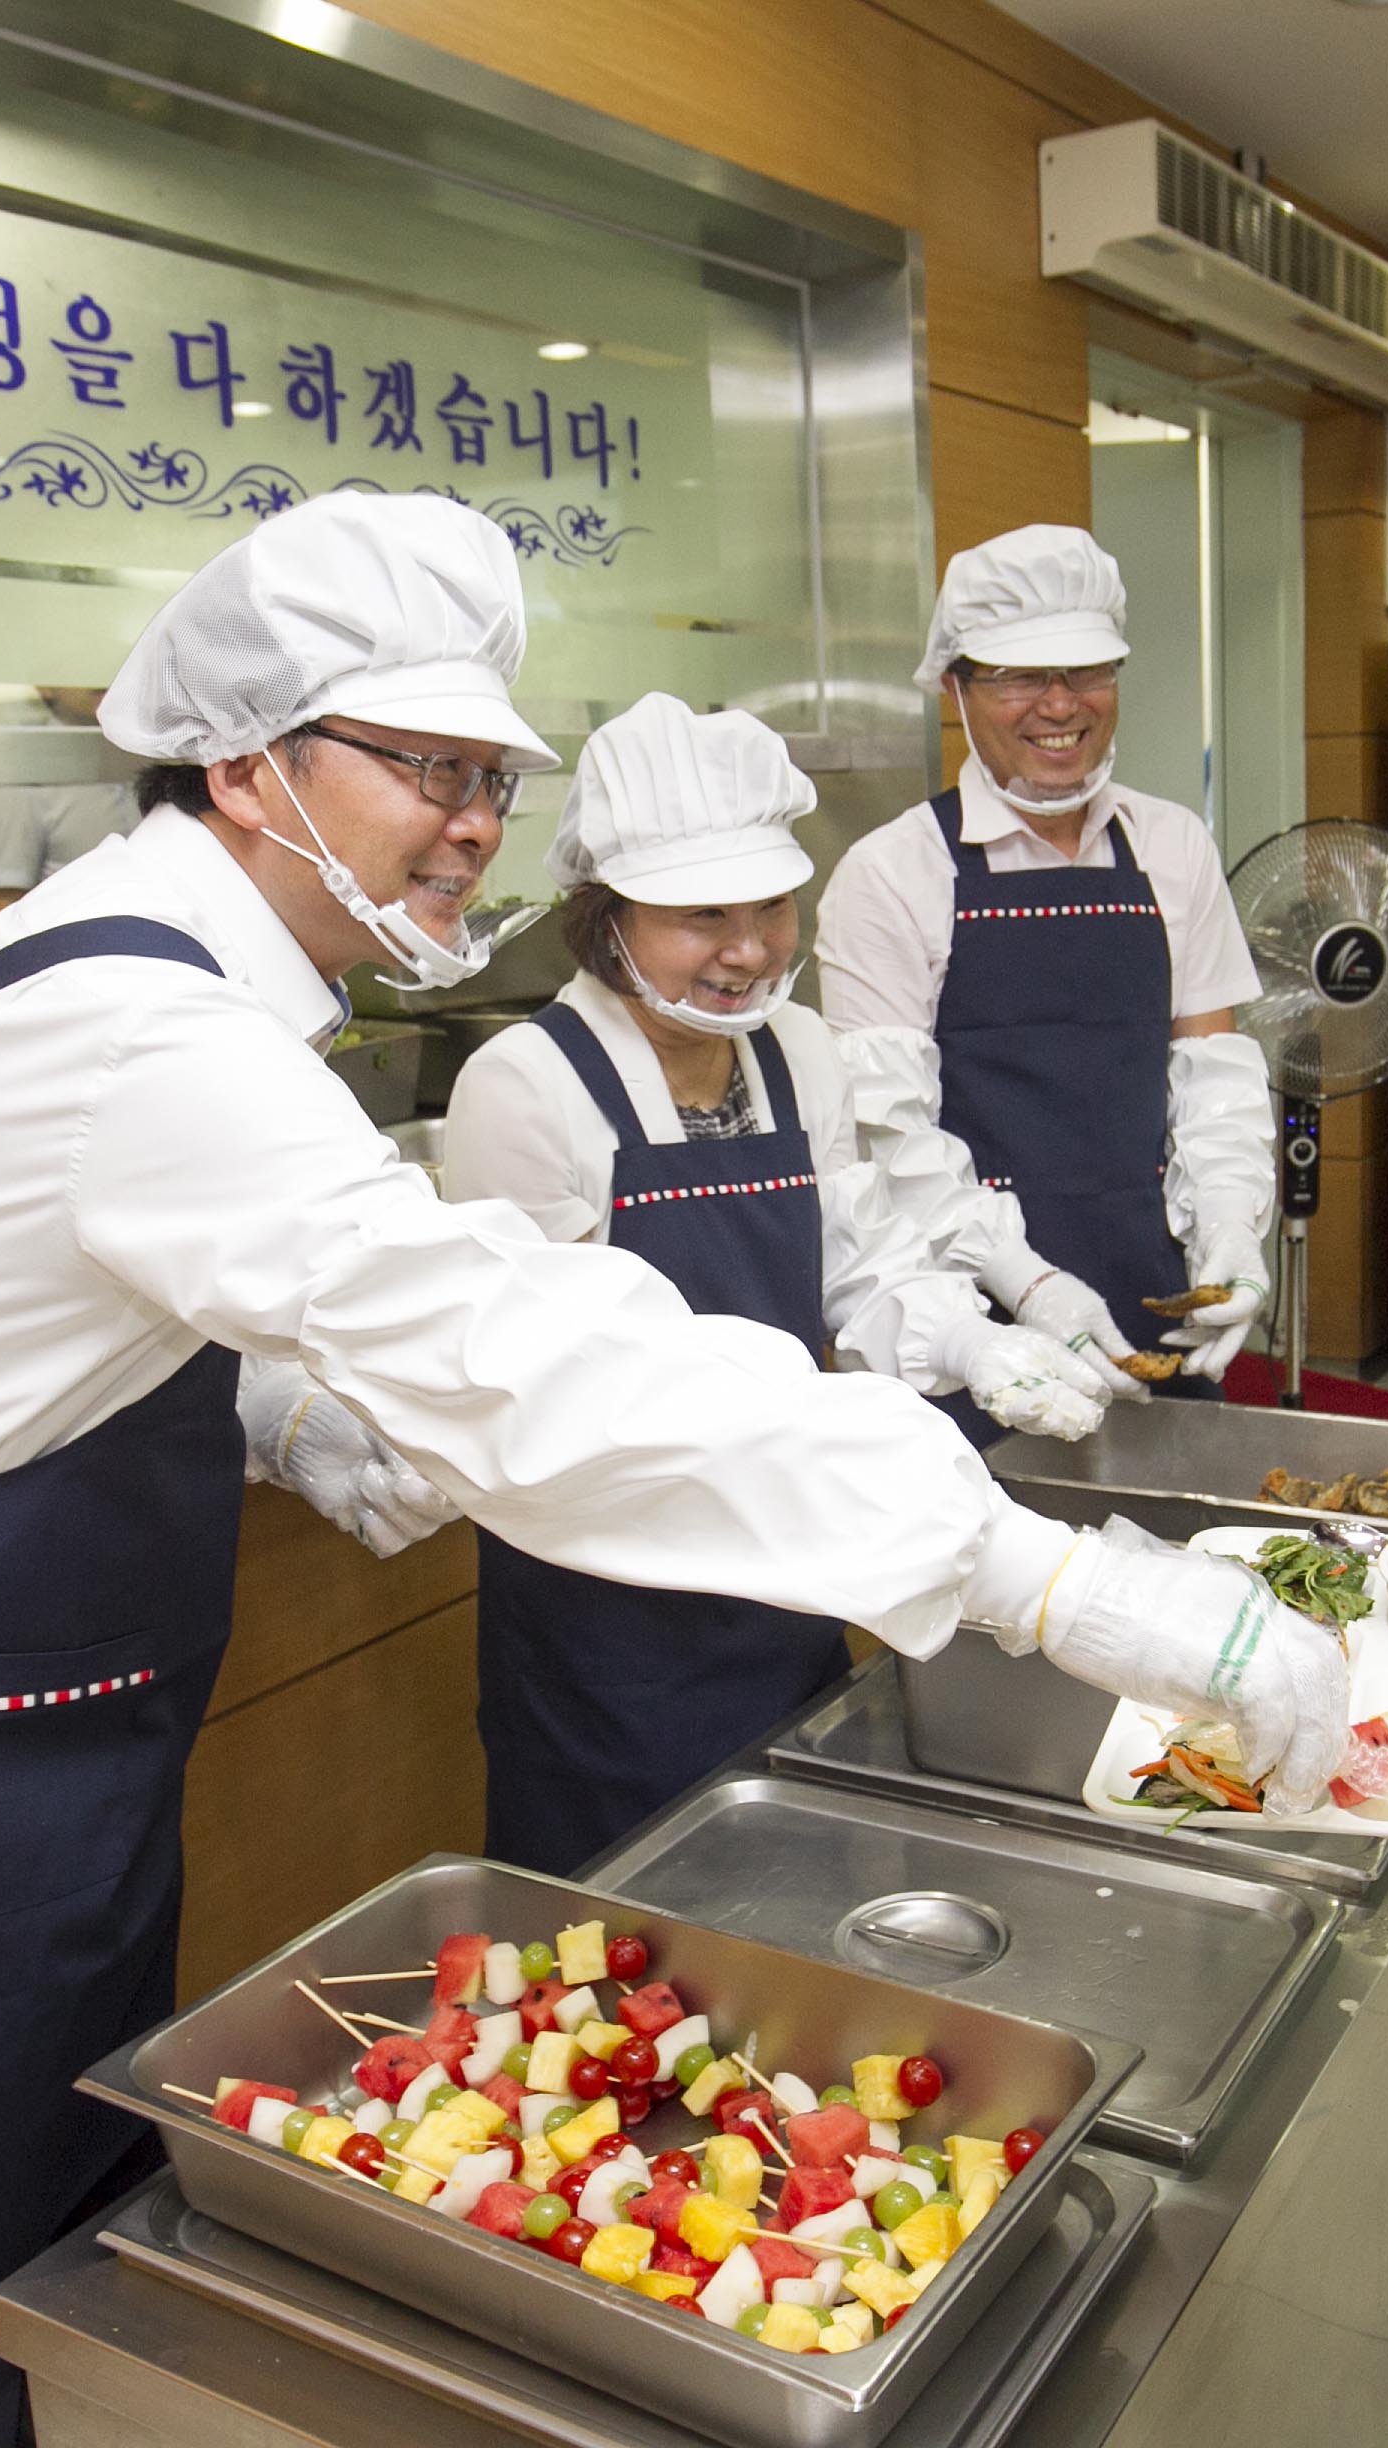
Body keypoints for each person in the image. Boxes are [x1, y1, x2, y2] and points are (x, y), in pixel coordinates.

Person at [0, 491, 1349, 2448]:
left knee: (13, 2267)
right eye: (424, 768)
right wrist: (1045, 1576)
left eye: (492, 776)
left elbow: (56, 1308)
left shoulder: (161, 990)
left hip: (1, 1750)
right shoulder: (143, 1031)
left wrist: (274, 1408)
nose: (471, 822)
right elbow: (535, 1353)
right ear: (247, 766)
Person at [441, 692, 1113, 1870]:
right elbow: (548, 1392)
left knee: (794, 1875)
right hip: (611, 1609)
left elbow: (855, 1267)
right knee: (619, 1926)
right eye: (702, 915)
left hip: (790, 1573)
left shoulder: (800, 1054)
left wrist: (970, 1344)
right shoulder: (523, 1087)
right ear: (607, 922)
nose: (750, 949)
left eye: (770, 905)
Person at [816, 525, 1277, 1422]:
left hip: (1155, 1289)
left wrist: (1228, 1226)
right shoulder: (892, 871)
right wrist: (1029, 1289)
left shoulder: (1172, 843)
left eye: (1088, 672)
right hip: (971, 1319)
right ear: (956, 685)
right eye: (1020, 676)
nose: (1060, 705)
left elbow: (1212, 1075)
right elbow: (891, 1139)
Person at [0, 685, 138, 922]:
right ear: (46, 686)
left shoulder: (152, 753)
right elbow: (2, 909)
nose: (99, 675)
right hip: (80, 949)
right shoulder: (20, 778)